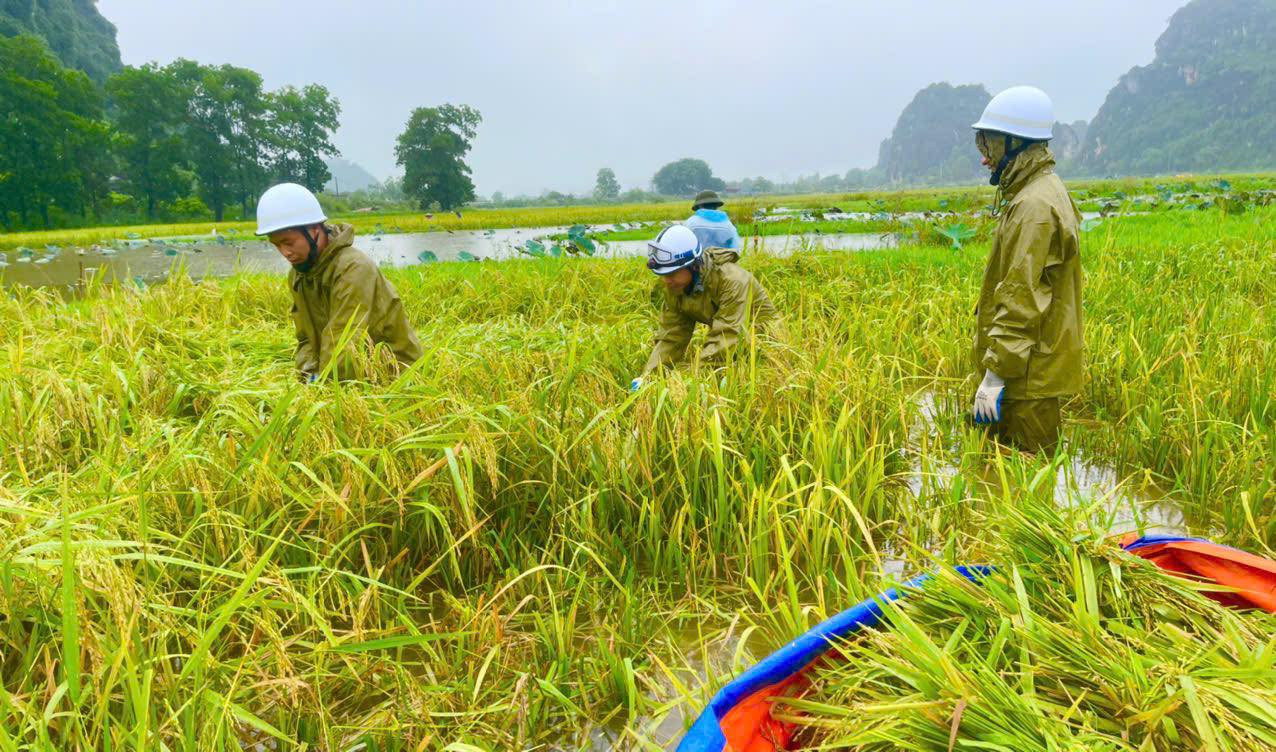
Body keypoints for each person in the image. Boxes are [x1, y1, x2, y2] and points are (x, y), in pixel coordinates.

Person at [969, 86, 1083, 454]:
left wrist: (995, 375)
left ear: (1015, 143)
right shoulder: (1043, 189)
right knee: (1017, 476)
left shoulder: (1033, 206)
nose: (985, 158)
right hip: (1028, 371)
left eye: (990, 145)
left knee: (1027, 476)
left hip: (1025, 379)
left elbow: (1022, 299)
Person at [255, 183, 423, 381]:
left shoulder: (353, 269)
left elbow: (345, 340)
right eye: (277, 245)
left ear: (314, 229)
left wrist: (325, 388)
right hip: (345, 370)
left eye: (289, 243)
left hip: (393, 373)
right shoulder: (299, 275)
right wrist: (308, 376)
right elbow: (306, 338)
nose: (285, 252)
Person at [631, 225, 780, 390]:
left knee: (709, 379)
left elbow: (726, 337)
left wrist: (687, 383)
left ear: (692, 265)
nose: (666, 281)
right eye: (663, 274)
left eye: (671, 274)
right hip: (731, 335)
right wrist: (649, 378)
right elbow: (671, 337)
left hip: (764, 341)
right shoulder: (675, 286)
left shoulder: (733, 281)